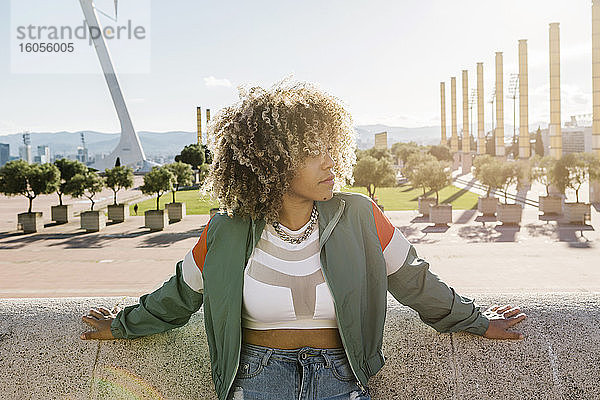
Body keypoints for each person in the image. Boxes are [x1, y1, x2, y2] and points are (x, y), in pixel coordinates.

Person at [80, 79, 527, 400]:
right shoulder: (226, 229)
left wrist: (476, 321)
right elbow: (180, 295)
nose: (330, 162)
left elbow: (414, 281)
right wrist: (122, 324)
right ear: (269, 160)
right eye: (313, 152)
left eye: (332, 148)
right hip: (256, 380)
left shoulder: (361, 215)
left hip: (342, 379)